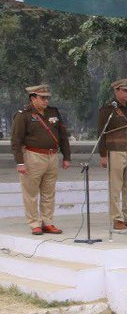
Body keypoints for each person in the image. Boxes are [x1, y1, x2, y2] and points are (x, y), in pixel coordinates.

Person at [11, 83, 70, 235]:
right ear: (33, 98)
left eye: (47, 98)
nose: (46, 101)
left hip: (52, 156)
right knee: (31, 193)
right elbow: (16, 140)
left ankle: (48, 222)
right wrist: (20, 162)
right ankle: (34, 223)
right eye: (42, 98)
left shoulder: (53, 112)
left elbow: (63, 135)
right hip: (32, 156)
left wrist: (66, 156)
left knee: (49, 192)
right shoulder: (23, 115)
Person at [97, 78, 127, 231]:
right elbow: (102, 133)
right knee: (116, 186)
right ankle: (117, 219)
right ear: (116, 91)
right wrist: (103, 154)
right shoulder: (108, 109)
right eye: (124, 90)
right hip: (116, 150)